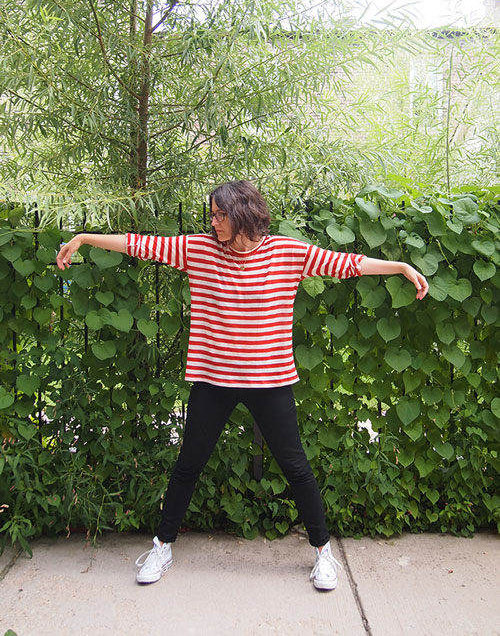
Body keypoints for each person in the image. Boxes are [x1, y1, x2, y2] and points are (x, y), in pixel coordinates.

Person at [56, 180, 428, 590]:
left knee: (296, 468)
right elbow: (140, 244)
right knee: (188, 466)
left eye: (220, 214)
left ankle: (323, 553)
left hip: (270, 382)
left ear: (243, 214)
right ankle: (162, 544)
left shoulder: (286, 253)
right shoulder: (198, 250)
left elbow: (347, 263)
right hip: (214, 380)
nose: (213, 222)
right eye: (211, 214)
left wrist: (401, 267)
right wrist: (83, 238)